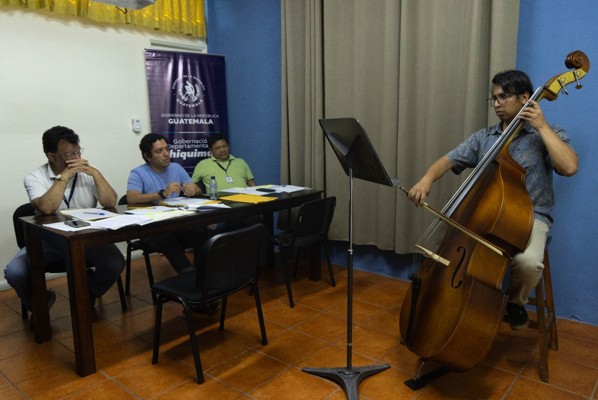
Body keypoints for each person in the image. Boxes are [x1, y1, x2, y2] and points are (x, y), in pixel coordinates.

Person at [407, 70, 578, 330]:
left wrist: (542, 127)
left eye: (503, 97)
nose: (497, 103)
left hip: (531, 216)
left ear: (525, 97)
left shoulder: (548, 133)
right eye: (494, 98)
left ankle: (515, 303)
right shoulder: (484, 137)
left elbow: (569, 167)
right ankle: (456, 307)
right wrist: (426, 179)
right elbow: (448, 160)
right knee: (454, 249)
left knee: (529, 262)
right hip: (486, 215)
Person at [4, 126, 125, 316]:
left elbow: (110, 202)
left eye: (78, 152)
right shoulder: (34, 178)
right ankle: (40, 303)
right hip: (48, 240)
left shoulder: (87, 174)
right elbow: (47, 208)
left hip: (86, 237)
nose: (76, 158)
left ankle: (88, 293)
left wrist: (96, 174)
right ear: (52, 156)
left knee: (115, 263)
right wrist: (65, 175)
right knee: (14, 272)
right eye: (69, 154)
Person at [127, 133, 202, 274]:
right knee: (167, 239)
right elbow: (131, 198)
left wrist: (193, 189)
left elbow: (196, 188)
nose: (166, 154)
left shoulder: (176, 168)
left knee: (200, 233)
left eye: (167, 149)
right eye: (159, 151)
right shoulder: (138, 173)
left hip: (174, 221)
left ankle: (203, 272)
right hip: (150, 226)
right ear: (147, 156)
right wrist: (161, 194)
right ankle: (188, 274)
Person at [191, 134, 256, 191]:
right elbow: (191, 186)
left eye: (224, 146)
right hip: (218, 200)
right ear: (211, 150)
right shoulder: (203, 165)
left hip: (244, 199)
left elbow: (251, 184)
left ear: (228, 146)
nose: (222, 150)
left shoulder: (241, 162)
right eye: (218, 148)